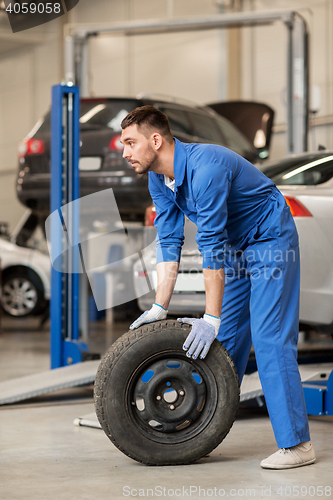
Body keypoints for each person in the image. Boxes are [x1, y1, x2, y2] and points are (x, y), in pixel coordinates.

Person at [120, 105, 316, 470]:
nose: (125, 152)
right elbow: (168, 242)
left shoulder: (206, 168)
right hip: (236, 245)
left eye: (131, 143)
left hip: (269, 237)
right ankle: (201, 431)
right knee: (226, 341)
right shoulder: (158, 179)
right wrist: (160, 306)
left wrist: (211, 315)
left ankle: (298, 444)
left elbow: (210, 247)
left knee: (269, 335)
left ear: (156, 140)